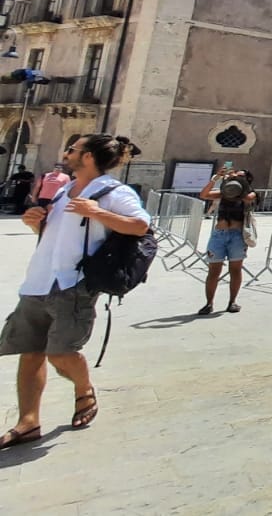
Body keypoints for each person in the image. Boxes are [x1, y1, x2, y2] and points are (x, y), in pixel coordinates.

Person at [0, 134, 148, 450]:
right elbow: (58, 234)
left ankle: (84, 387)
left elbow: (139, 225)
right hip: (39, 280)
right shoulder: (67, 188)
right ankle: (28, 422)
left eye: (73, 149)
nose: (67, 153)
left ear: (89, 157)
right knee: (31, 351)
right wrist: (34, 222)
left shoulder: (113, 192)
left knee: (60, 353)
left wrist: (98, 212)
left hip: (73, 283)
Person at [197, 168, 256, 315]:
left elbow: (248, 198)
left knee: (235, 269)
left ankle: (232, 302)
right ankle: (209, 303)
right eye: (236, 176)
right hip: (219, 235)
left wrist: (238, 186)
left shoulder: (251, 194)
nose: (237, 178)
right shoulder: (224, 193)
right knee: (213, 270)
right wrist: (216, 179)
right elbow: (204, 195)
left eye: (241, 176)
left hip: (237, 236)